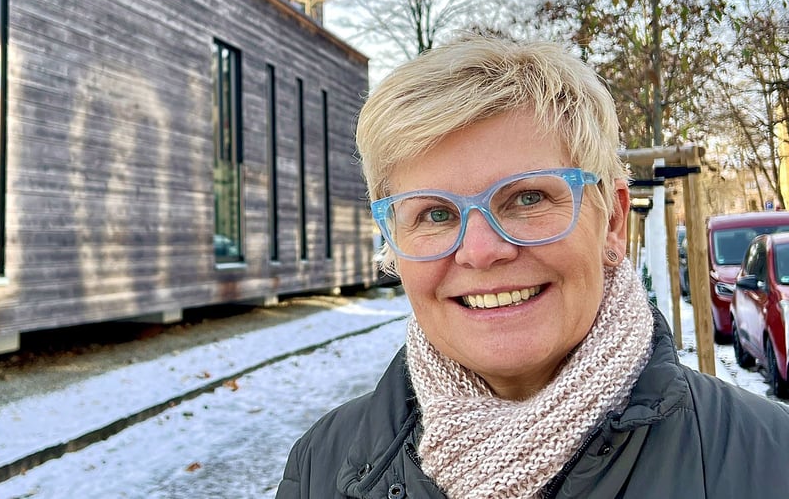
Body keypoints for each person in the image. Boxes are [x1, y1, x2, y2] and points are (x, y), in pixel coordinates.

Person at [276, 34, 789, 498]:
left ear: (611, 219)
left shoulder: (769, 461)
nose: (479, 251)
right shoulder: (319, 468)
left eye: (526, 199)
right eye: (435, 213)